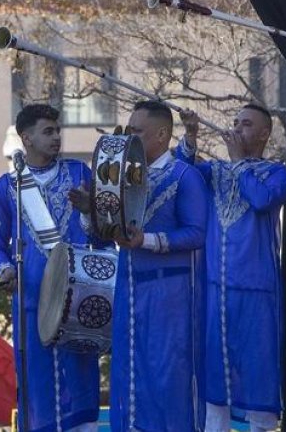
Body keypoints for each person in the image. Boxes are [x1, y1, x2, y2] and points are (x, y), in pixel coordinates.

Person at [76, 100, 208, 431]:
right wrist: (88, 211)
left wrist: (145, 240)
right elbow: (106, 237)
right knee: (131, 373)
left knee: (169, 377)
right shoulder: (122, 179)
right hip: (130, 289)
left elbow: (197, 233)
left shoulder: (184, 175)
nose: (129, 137)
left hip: (171, 294)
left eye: (137, 131)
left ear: (162, 135)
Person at [0, 104, 104, 432]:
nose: (56, 137)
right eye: (47, 131)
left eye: (57, 130)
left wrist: (86, 211)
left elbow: (103, 236)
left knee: (81, 381)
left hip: (79, 301)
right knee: (37, 385)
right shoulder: (7, 187)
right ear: (26, 138)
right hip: (32, 300)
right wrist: (6, 270)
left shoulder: (80, 174)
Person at [175, 104, 286, 432]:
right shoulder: (216, 171)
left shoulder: (278, 173)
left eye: (247, 124)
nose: (237, 129)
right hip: (215, 290)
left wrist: (239, 161)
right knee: (214, 383)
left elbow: (262, 200)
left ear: (265, 134)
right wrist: (191, 136)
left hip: (258, 290)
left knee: (258, 374)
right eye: (235, 122)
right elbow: (181, 175)